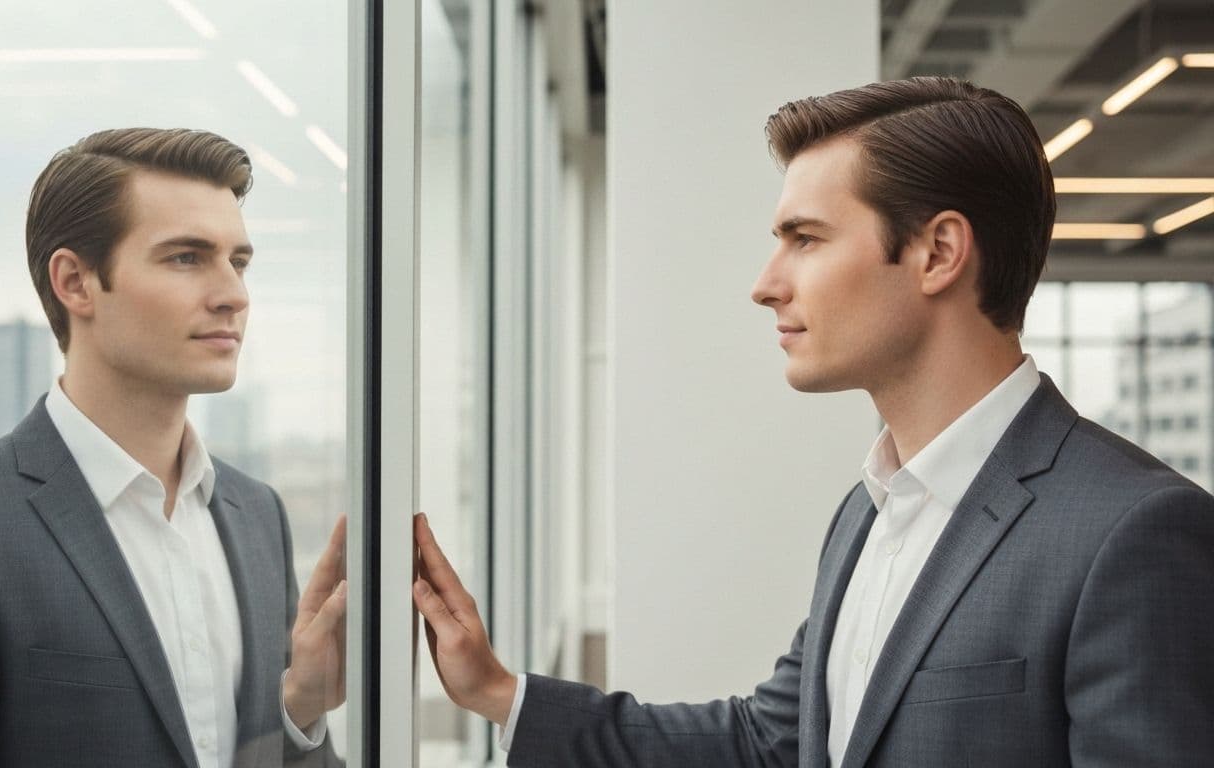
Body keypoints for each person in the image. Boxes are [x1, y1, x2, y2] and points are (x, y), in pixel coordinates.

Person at [411, 77, 1214, 766]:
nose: (766, 284)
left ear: (938, 253)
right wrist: (498, 692)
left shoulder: (1134, 532)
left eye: (806, 239)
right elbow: (770, 742)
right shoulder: (872, 509)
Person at [0, 128, 346, 768]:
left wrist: (301, 709)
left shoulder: (256, 515)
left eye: (239, 261)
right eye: (186, 257)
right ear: (76, 282)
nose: (234, 294)